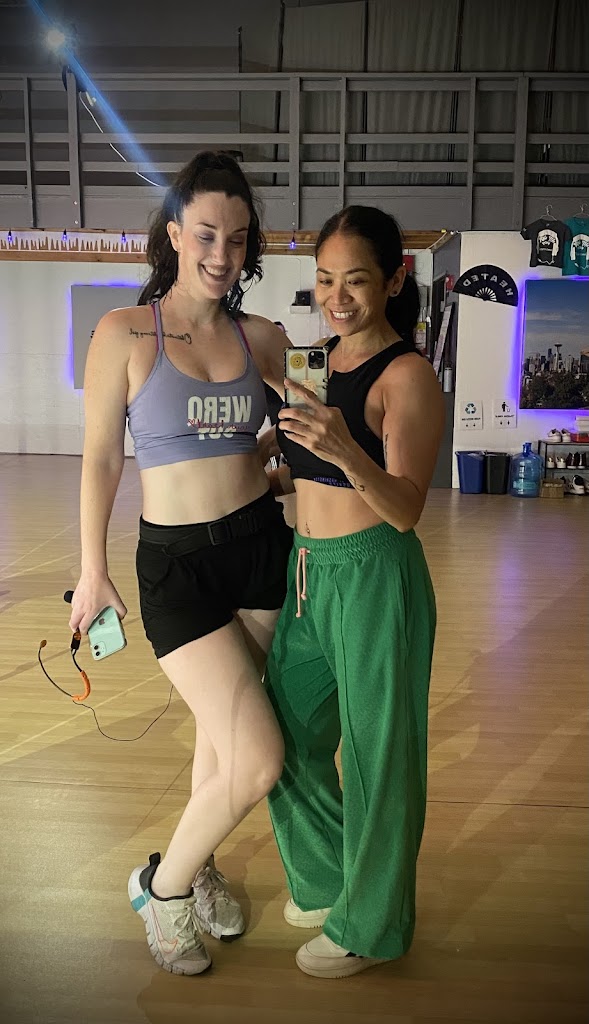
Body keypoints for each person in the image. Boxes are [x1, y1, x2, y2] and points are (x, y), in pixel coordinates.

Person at [69, 151, 293, 976]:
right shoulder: (124, 332)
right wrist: (91, 570)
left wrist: (279, 465)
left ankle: (199, 871)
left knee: (221, 742)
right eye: (204, 233)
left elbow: (283, 437)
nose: (220, 253)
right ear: (173, 233)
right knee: (259, 760)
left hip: (259, 551)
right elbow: (101, 457)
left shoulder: (261, 337)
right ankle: (161, 889)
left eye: (236, 237)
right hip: (177, 568)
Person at [264, 205, 444, 979]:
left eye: (356, 280)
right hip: (308, 570)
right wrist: (266, 470)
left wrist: (342, 448)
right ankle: (331, 881)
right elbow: (303, 471)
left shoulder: (407, 376)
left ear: (393, 280)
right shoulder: (316, 362)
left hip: (375, 575)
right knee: (278, 731)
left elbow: (404, 508)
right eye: (324, 279)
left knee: (378, 758)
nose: (336, 297)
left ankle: (371, 927)